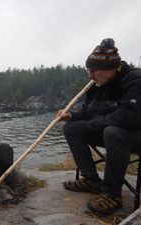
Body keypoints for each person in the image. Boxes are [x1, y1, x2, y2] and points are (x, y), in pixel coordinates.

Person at [57, 38, 141, 215]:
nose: (90, 75)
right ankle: (91, 181)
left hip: (134, 135)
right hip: (110, 131)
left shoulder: (134, 80)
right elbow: (88, 113)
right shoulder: (97, 84)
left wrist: (94, 123)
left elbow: (131, 118)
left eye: (93, 70)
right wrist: (72, 116)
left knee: (113, 132)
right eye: (89, 70)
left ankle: (112, 194)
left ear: (111, 69)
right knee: (72, 128)